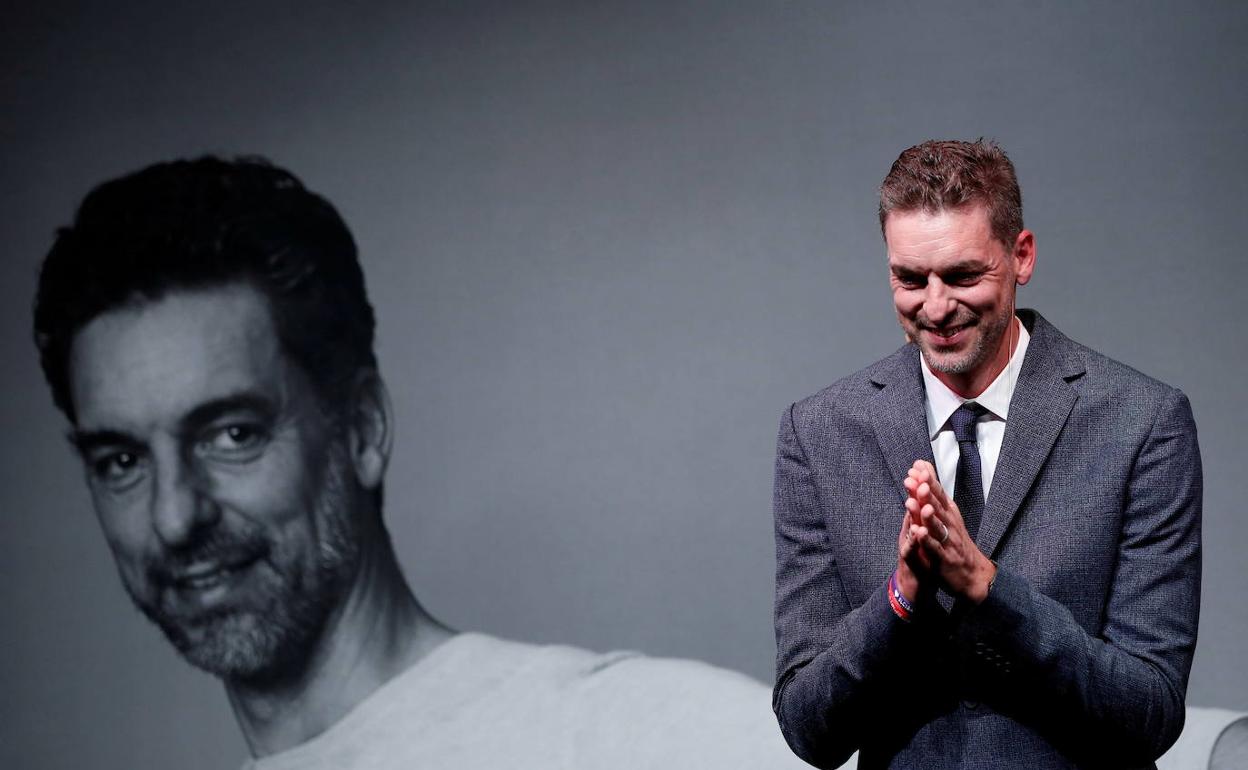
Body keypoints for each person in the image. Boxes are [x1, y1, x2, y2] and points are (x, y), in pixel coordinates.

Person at [34, 157, 808, 770]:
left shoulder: (638, 740)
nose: (175, 516)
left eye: (232, 434)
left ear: (363, 429)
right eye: (122, 460)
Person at [771, 139, 1201, 769]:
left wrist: (987, 587)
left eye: (964, 275)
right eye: (910, 279)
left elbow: (1150, 713)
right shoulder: (821, 432)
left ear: (1021, 256)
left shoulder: (1143, 422)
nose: (936, 307)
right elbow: (811, 732)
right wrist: (902, 595)